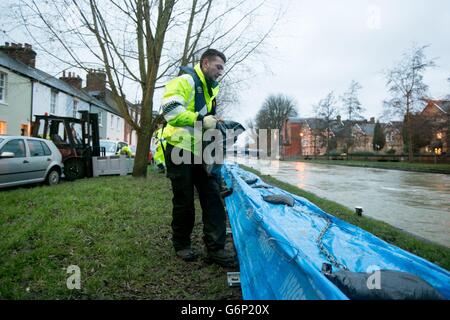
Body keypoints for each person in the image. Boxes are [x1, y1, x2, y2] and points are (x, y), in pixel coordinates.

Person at [160, 48, 236, 267]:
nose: (221, 71)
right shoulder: (184, 81)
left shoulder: (211, 89)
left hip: (201, 151)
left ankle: (216, 249)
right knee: (184, 200)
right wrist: (203, 120)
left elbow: (206, 120)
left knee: (213, 196)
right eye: (218, 66)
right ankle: (182, 245)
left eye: (223, 67)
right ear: (205, 63)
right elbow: (171, 112)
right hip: (178, 148)